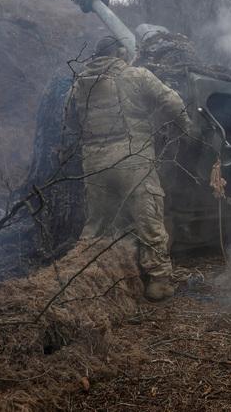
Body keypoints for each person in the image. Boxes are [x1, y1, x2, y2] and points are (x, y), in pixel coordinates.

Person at [64, 36, 193, 301]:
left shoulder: (79, 84)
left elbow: (70, 122)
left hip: (95, 162)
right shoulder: (136, 75)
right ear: (120, 53)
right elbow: (173, 103)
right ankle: (159, 281)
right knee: (149, 220)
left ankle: (77, 278)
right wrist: (185, 130)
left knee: (97, 224)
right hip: (133, 161)